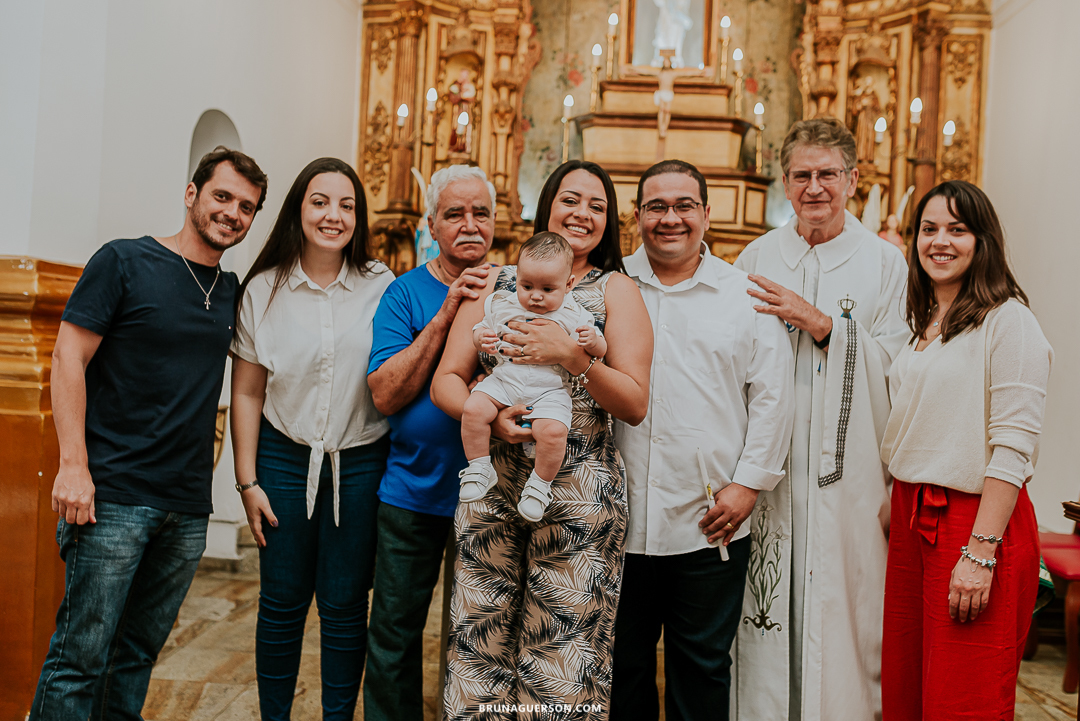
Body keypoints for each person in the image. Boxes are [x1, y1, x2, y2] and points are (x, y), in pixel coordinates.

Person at [30, 147, 267, 720]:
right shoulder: (124, 261)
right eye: (222, 196)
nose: (232, 212)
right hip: (110, 496)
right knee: (79, 658)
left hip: (184, 508)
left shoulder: (234, 291)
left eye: (247, 207)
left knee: (134, 656)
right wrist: (73, 465)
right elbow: (68, 358)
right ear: (192, 194)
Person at [431, 159, 652, 719]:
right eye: (570, 200)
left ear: (610, 222)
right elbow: (447, 381)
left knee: (560, 658)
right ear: (546, 205)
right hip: (493, 490)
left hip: (576, 497)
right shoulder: (497, 282)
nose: (582, 213)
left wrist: (574, 360)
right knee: (479, 651)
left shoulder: (615, 291)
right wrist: (493, 420)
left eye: (597, 206)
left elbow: (634, 402)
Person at [731, 117, 908, 721]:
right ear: (784, 181)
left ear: (853, 179)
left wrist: (827, 326)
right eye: (802, 175)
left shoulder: (886, 264)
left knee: (843, 603)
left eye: (827, 174)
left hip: (847, 473)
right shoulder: (756, 256)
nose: (814, 187)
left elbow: (903, 366)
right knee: (767, 602)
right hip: (772, 472)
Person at [611, 160, 796, 721]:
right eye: (657, 207)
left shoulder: (744, 294)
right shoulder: (609, 285)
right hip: (614, 520)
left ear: (707, 214)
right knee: (623, 669)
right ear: (638, 215)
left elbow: (773, 396)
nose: (671, 219)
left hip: (709, 519)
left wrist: (748, 486)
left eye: (684, 205)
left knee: (704, 669)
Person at [879, 180, 1051, 720]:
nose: (940, 241)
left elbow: (1013, 446)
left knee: (964, 698)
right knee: (908, 687)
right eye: (929, 229)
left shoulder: (1009, 321)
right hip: (913, 519)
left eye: (957, 229)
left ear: (983, 241)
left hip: (976, 523)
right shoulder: (925, 325)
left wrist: (979, 554)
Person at [229, 158, 392, 720]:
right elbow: (247, 393)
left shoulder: (380, 284)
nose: (334, 215)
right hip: (281, 456)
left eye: (347, 205)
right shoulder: (263, 291)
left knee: (347, 606)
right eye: (321, 201)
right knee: (280, 602)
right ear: (299, 208)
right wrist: (246, 481)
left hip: (362, 459)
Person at [362, 164, 496, 721]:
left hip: (490, 497)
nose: (469, 225)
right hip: (411, 494)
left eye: (481, 213)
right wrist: (445, 315)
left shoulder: (518, 287)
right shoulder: (403, 294)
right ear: (431, 225)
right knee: (394, 634)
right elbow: (386, 395)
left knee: (476, 641)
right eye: (454, 214)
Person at [460, 232, 606, 522]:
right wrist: (481, 339)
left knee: (553, 433)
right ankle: (479, 467)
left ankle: (539, 486)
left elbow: (600, 349)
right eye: (526, 285)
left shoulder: (574, 314)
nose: (535, 296)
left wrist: (592, 341)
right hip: (505, 379)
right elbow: (480, 327)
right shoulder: (502, 302)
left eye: (548, 289)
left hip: (549, 388)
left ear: (569, 285)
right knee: (473, 409)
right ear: (517, 278)